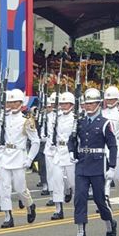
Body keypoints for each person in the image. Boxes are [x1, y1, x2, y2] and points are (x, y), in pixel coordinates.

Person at [69, 88, 118, 236]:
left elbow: (113, 146)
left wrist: (112, 166)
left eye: (91, 104)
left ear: (98, 104)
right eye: (86, 104)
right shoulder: (80, 122)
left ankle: (109, 222)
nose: (88, 106)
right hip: (82, 164)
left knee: (99, 199)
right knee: (80, 198)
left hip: (98, 165)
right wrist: (71, 151)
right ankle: (81, 232)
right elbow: (72, 139)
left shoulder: (105, 123)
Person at [0, 89, 39, 228]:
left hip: (19, 156)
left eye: (14, 102)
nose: (11, 105)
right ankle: (8, 216)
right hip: (4, 156)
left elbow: (35, 141)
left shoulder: (26, 121)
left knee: (20, 188)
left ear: (20, 103)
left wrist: (30, 159)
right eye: (10, 102)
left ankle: (29, 204)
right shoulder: (2, 118)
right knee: (4, 188)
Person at [46, 92, 76, 220]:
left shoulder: (76, 118)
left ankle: (77, 205)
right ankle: (58, 209)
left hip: (70, 152)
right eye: (62, 104)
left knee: (73, 182)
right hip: (58, 151)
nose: (63, 106)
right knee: (56, 179)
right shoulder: (56, 118)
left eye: (66, 104)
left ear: (72, 105)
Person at [101, 86, 119, 210]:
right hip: (103, 148)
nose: (109, 102)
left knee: (118, 176)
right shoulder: (101, 113)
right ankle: (105, 199)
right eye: (107, 99)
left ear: (117, 100)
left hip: (117, 148)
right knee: (105, 176)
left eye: (112, 99)